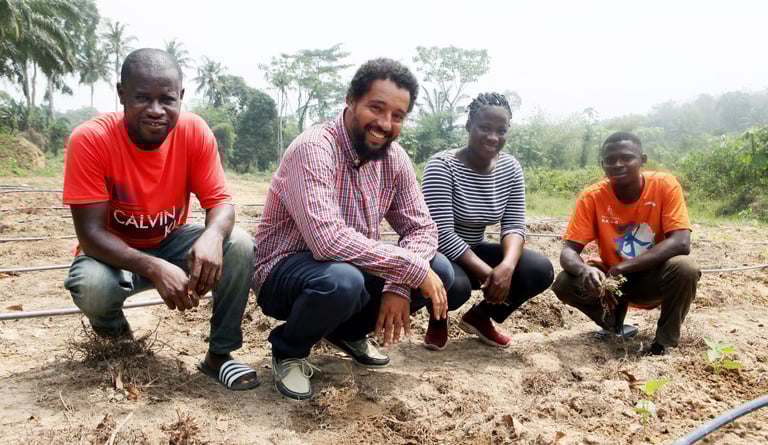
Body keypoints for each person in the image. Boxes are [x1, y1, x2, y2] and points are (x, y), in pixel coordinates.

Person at [251, 58, 455, 400]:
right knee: (343, 281)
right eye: (376, 108)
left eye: (397, 116)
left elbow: (421, 227)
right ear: (351, 100)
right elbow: (327, 241)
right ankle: (289, 350)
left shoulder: (395, 158)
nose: (385, 124)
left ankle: (346, 333)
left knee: (441, 270)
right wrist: (409, 269)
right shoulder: (314, 148)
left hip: (350, 268)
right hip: (284, 271)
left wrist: (399, 285)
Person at [62, 48, 258, 390]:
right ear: (122, 94)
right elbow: (90, 235)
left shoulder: (194, 131)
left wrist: (212, 237)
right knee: (92, 285)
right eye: (142, 98)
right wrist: (155, 268)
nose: (155, 110)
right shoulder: (91, 140)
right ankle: (119, 343)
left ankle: (220, 355)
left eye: (166, 99)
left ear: (180, 96)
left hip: (169, 241)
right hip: (111, 254)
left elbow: (221, 202)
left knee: (238, 243)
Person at [421, 92, 554, 351]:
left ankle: (480, 317)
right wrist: (488, 274)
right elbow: (441, 233)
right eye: (484, 128)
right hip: (439, 253)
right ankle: (438, 318)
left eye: (501, 131)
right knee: (456, 287)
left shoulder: (510, 168)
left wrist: (506, 267)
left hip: (476, 246)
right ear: (468, 125)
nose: (493, 137)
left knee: (539, 269)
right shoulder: (442, 166)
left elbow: (514, 225)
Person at [552, 131, 700, 356]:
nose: (618, 164)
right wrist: (584, 270)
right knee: (564, 282)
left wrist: (622, 268)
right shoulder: (592, 197)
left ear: (643, 160)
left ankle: (663, 343)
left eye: (627, 158)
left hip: (654, 277)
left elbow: (681, 242)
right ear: (603, 165)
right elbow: (569, 251)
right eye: (610, 160)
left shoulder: (664, 186)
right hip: (612, 283)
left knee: (685, 267)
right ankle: (613, 322)